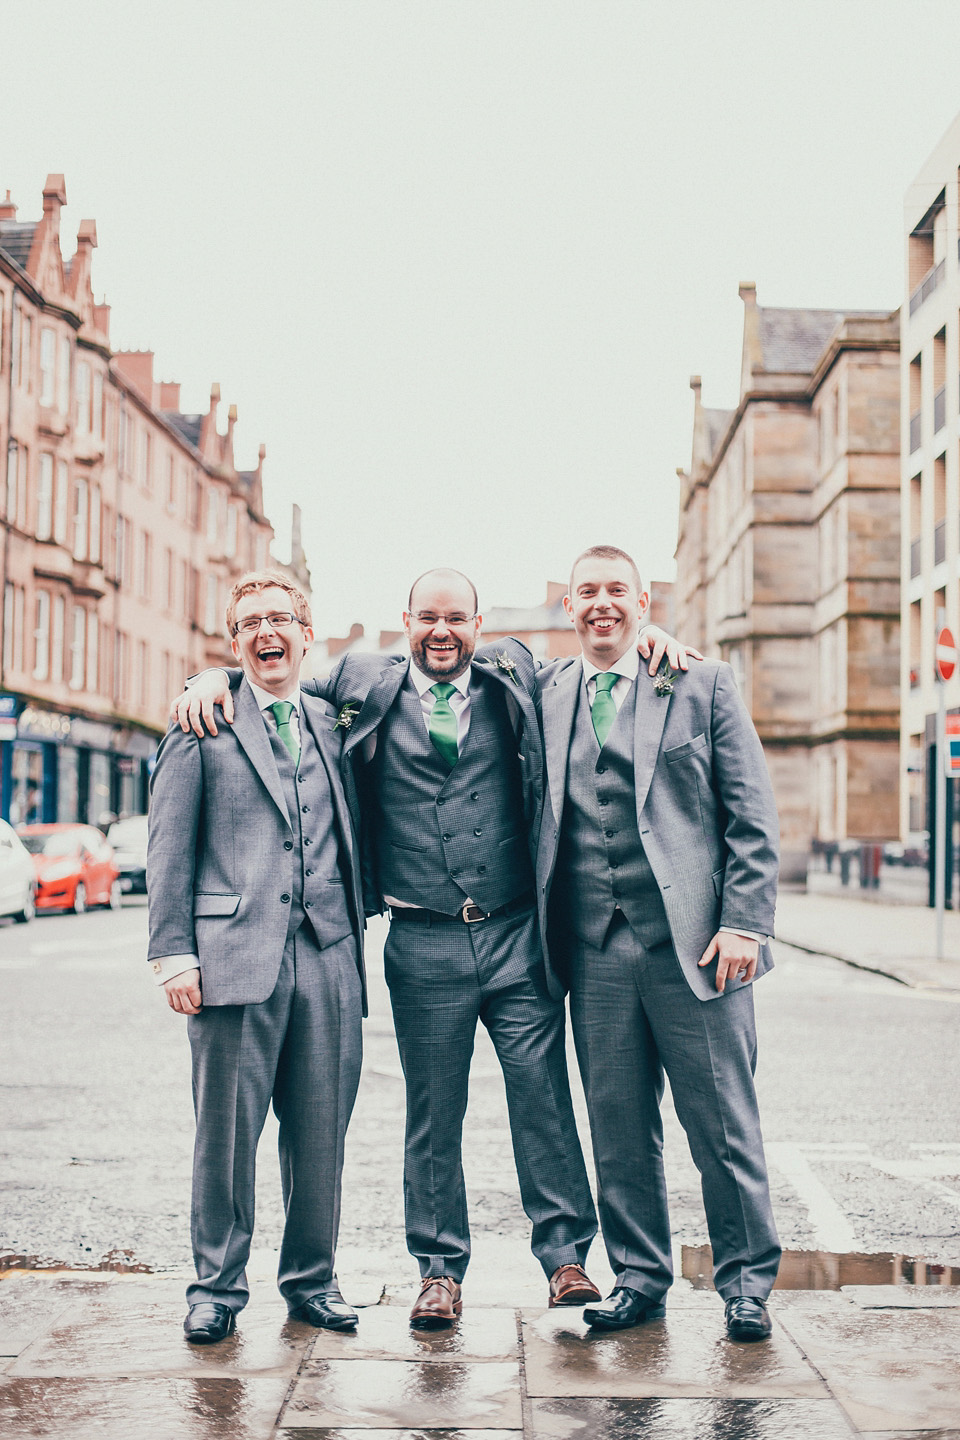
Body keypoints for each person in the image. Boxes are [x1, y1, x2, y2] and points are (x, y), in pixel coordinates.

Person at [173, 567, 693, 1328]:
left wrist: (650, 638)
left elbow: (598, 662)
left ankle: (565, 1259)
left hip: (517, 935)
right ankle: (439, 1270)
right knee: (432, 1113)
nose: (442, 631)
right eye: (427, 618)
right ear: (405, 621)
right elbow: (270, 680)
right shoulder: (357, 679)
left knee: (543, 1101)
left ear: (479, 625)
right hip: (421, 942)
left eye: (457, 618)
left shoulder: (517, 671)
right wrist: (208, 677)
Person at [535, 544, 781, 1342]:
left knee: (722, 1126)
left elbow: (750, 811)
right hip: (594, 950)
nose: (601, 603)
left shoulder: (699, 680)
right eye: (586, 592)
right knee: (617, 1128)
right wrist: (215, 678)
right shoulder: (545, 689)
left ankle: (745, 1284)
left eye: (617, 591)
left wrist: (745, 920)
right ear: (567, 606)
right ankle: (641, 1277)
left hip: (700, 947)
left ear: (645, 602)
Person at [147, 571, 366, 1344]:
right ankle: (215, 1288)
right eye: (250, 625)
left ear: (308, 633)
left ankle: (313, 1281)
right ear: (234, 642)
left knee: (321, 1137)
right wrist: (173, 953)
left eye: (282, 619)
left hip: (330, 952)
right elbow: (169, 846)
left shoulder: (336, 720)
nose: (267, 633)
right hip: (231, 957)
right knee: (227, 1137)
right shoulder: (199, 720)